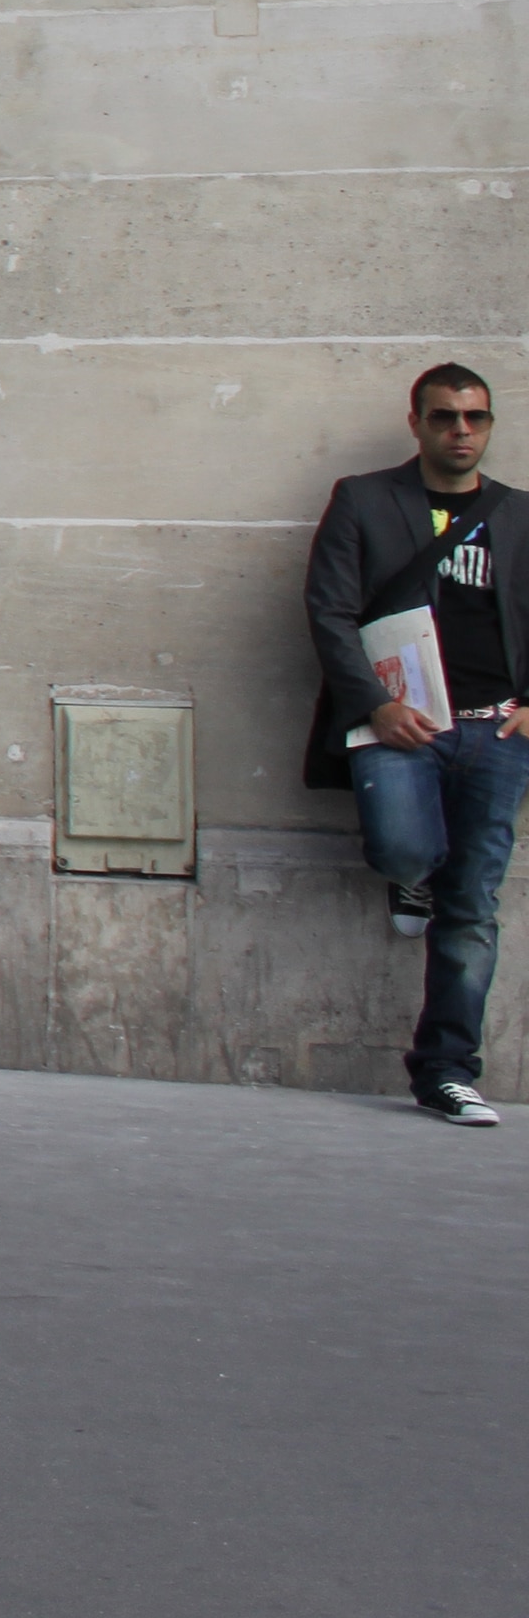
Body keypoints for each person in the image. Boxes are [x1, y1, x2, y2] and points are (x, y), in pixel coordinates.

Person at [302, 362, 528, 1125]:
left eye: (475, 418)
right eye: (444, 417)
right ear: (417, 423)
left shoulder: (519, 516)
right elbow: (328, 612)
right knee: (404, 850)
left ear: (490, 424)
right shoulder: (365, 500)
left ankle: (446, 1071)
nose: (461, 431)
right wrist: (374, 703)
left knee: (473, 906)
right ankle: (413, 874)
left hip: (494, 730)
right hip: (398, 725)